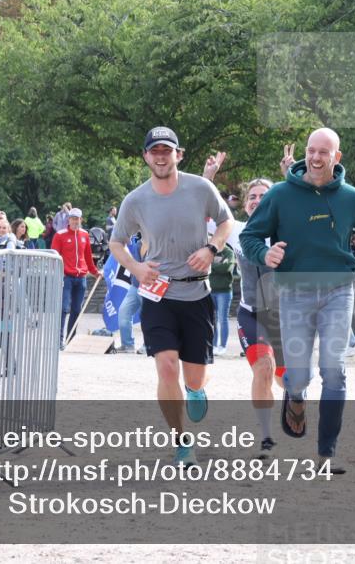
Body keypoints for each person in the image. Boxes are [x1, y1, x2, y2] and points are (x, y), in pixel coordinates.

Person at [240, 128, 355, 471]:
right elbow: (250, 235)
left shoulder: (352, 197)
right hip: (294, 291)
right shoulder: (280, 195)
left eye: (324, 151)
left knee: (333, 370)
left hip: (339, 289)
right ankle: (295, 396)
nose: (316, 157)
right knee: (297, 376)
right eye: (311, 150)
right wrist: (265, 253)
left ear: (337, 157)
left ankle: (327, 451)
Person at [110, 127, 233, 467]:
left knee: (193, 377)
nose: (161, 156)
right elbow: (116, 242)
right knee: (166, 368)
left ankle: (195, 389)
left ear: (179, 155)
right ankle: (182, 442)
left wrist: (211, 249)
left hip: (197, 292)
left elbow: (226, 222)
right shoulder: (135, 200)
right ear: (146, 156)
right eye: (155, 151)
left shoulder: (201, 187)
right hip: (157, 294)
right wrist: (135, 268)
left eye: (167, 150)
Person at [228, 177, 286, 455]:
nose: (257, 200)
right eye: (252, 196)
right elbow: (203, 213)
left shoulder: (287, 230)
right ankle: (266, 434)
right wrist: (209, 178)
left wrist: (290, 177)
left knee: (286, 379)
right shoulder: (236, 231)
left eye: (264, 195)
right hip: (251, 313)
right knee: (263, 368)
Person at [51, 208, 100, 345]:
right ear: (68, 219)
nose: (75, 221)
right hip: (66, 276)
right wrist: (56, 274)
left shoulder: (84, 235)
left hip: (81, 277)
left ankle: (70, 339)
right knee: (64, 308)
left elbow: (88, 257)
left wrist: (95, 272)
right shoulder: (60, 235)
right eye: (72, 218)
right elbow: (54, 257)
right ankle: (59, 340)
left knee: (77, 310)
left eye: (77, 218)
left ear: (81, 220)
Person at [116, 233, 146, 354]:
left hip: (151, 288)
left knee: (148, 317)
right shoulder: (138, 243)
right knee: (123, 312)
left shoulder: (159, 244)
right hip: (135, 286)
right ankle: (127, 345)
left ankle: (148, 345)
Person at [209, 241, 236, 356]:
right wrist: (218, 264)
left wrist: (212, 265)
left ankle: (223, 346)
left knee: (222, 319)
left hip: (224, 291)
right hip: (210, 290)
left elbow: (227, 268)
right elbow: (204, 265)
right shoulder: (209, 251)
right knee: (212, 319)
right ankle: (214, 345)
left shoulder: (229, 252)